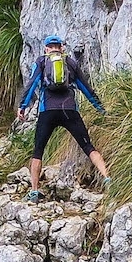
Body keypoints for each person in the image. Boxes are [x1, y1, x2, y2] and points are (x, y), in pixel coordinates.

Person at [18, 35, 112, 201]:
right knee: (88, 147)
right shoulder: (70, 62)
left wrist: (23, 106)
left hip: (47, 111)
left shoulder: (41, 62)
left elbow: (31, 85)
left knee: (38, 151)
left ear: (46, 48)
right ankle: (107, 178)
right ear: (61, 48)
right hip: (70, 111)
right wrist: (101, 109)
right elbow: (86, 88)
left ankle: (34, 191)